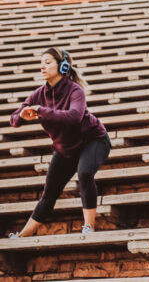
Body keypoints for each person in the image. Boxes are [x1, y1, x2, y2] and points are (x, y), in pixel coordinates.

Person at [8, 48, 110, 237]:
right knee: (49, 193)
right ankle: (23, 235)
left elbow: (75, 117)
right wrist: (21, 116)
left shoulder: (75, 90)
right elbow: (13, 120)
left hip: (93, 140)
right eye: (41, 62)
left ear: (63, 66)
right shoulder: (38, 94)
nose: (42, 66)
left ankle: (89, 227)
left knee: (85, 173)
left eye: (47, 62)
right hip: (65, 149)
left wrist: (42, 111)